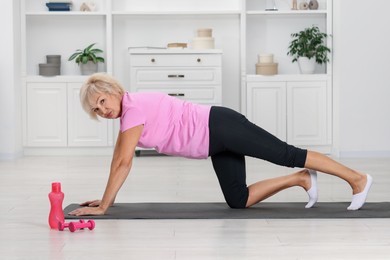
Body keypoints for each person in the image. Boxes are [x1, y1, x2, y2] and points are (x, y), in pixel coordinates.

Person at [69, 73, 373, 216]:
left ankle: (357, 179)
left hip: (220, 126)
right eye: (96, 110)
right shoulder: (128, 119)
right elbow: (117, 159)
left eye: (102, 102)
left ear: (113, 90)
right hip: (215, 143)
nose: (102, 111)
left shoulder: (133, 108)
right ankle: (301, 178)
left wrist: (105, 206)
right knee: (238, 200)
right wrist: (103, 198)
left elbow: (124, 162)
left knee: (286, 153)